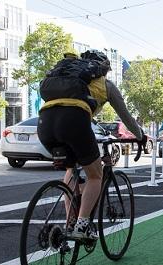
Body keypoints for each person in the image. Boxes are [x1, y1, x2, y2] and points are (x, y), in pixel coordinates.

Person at [37, 50, 145, 239]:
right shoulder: (105, 84)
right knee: (96, 175)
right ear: (102, 69)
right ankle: (82, 225)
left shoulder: (65, 77)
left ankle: (70, 221)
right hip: (74, 120)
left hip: (45, 123)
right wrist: (140, 136)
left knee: (71, 171)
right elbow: (126, 117)